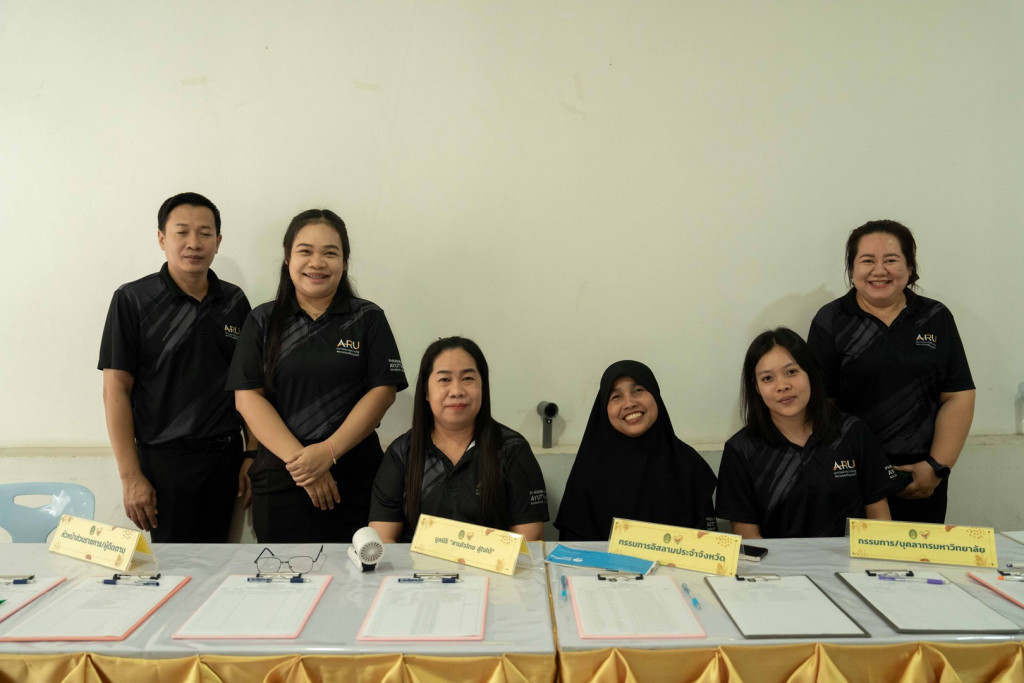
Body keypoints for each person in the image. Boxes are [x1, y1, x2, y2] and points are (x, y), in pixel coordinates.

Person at [228, 209, 407, 543]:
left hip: (355, 479)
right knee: (282, 573)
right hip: (282, 479)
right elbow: (247, 398)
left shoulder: (368, 318)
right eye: (305, 251)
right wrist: (304, 465)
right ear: (287, 257)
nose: (317, 262)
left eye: (330, 253)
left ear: (345, 261)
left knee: (357, 574)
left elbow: (383, 392)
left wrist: (327, 453)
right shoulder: (263, 320)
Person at [99, 192, 252, 542]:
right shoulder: (133, 300)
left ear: (218, 242)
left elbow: (250, 385)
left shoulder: (234, 301)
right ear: (161, 239)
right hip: (163, 464)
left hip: (226, 460)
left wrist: (252, 453)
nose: (193, 243)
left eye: (205, 233)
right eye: (182, 232)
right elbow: (115, 390)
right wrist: (130, 476)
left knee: (222, 564)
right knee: (173, 567)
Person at [807, 220, 975, 524]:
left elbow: (957, 396)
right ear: (852, 268)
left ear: (910, 267)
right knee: (852, 555)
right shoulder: (831, 320)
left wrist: (936, 467)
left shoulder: (935, 317)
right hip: (851, 478)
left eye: (891, 260)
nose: (879, 270)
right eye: (867, 261)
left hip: (921, 477)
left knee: (918, 554)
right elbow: (821, 406)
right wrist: (848, 470)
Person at [716, 328, 902, 538]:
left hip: (851, 558)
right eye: (767, 378)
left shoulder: (852, 432)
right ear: (756, 388)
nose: (782, 386)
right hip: (779, 560)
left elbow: (879, 518)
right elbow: (749, 537)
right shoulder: (741, 450)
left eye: (791, 372)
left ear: (810, 373)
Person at [369, 337, 549, 543]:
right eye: (444, 380)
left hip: (493, 564)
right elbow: (383, 539)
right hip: (416, 564)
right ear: (426, 391)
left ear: (483, 387)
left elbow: (529, 540)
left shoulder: (512, 449)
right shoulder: (402, 453)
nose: (456, 391)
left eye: (468, 378)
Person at [554, 360, 717, 541]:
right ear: (604, 408)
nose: (629, 403)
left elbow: (707, 544)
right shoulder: (588, 470)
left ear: (655, 395)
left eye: (638, 390)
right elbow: (573, 548)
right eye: (616, 397)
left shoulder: (688, 463)